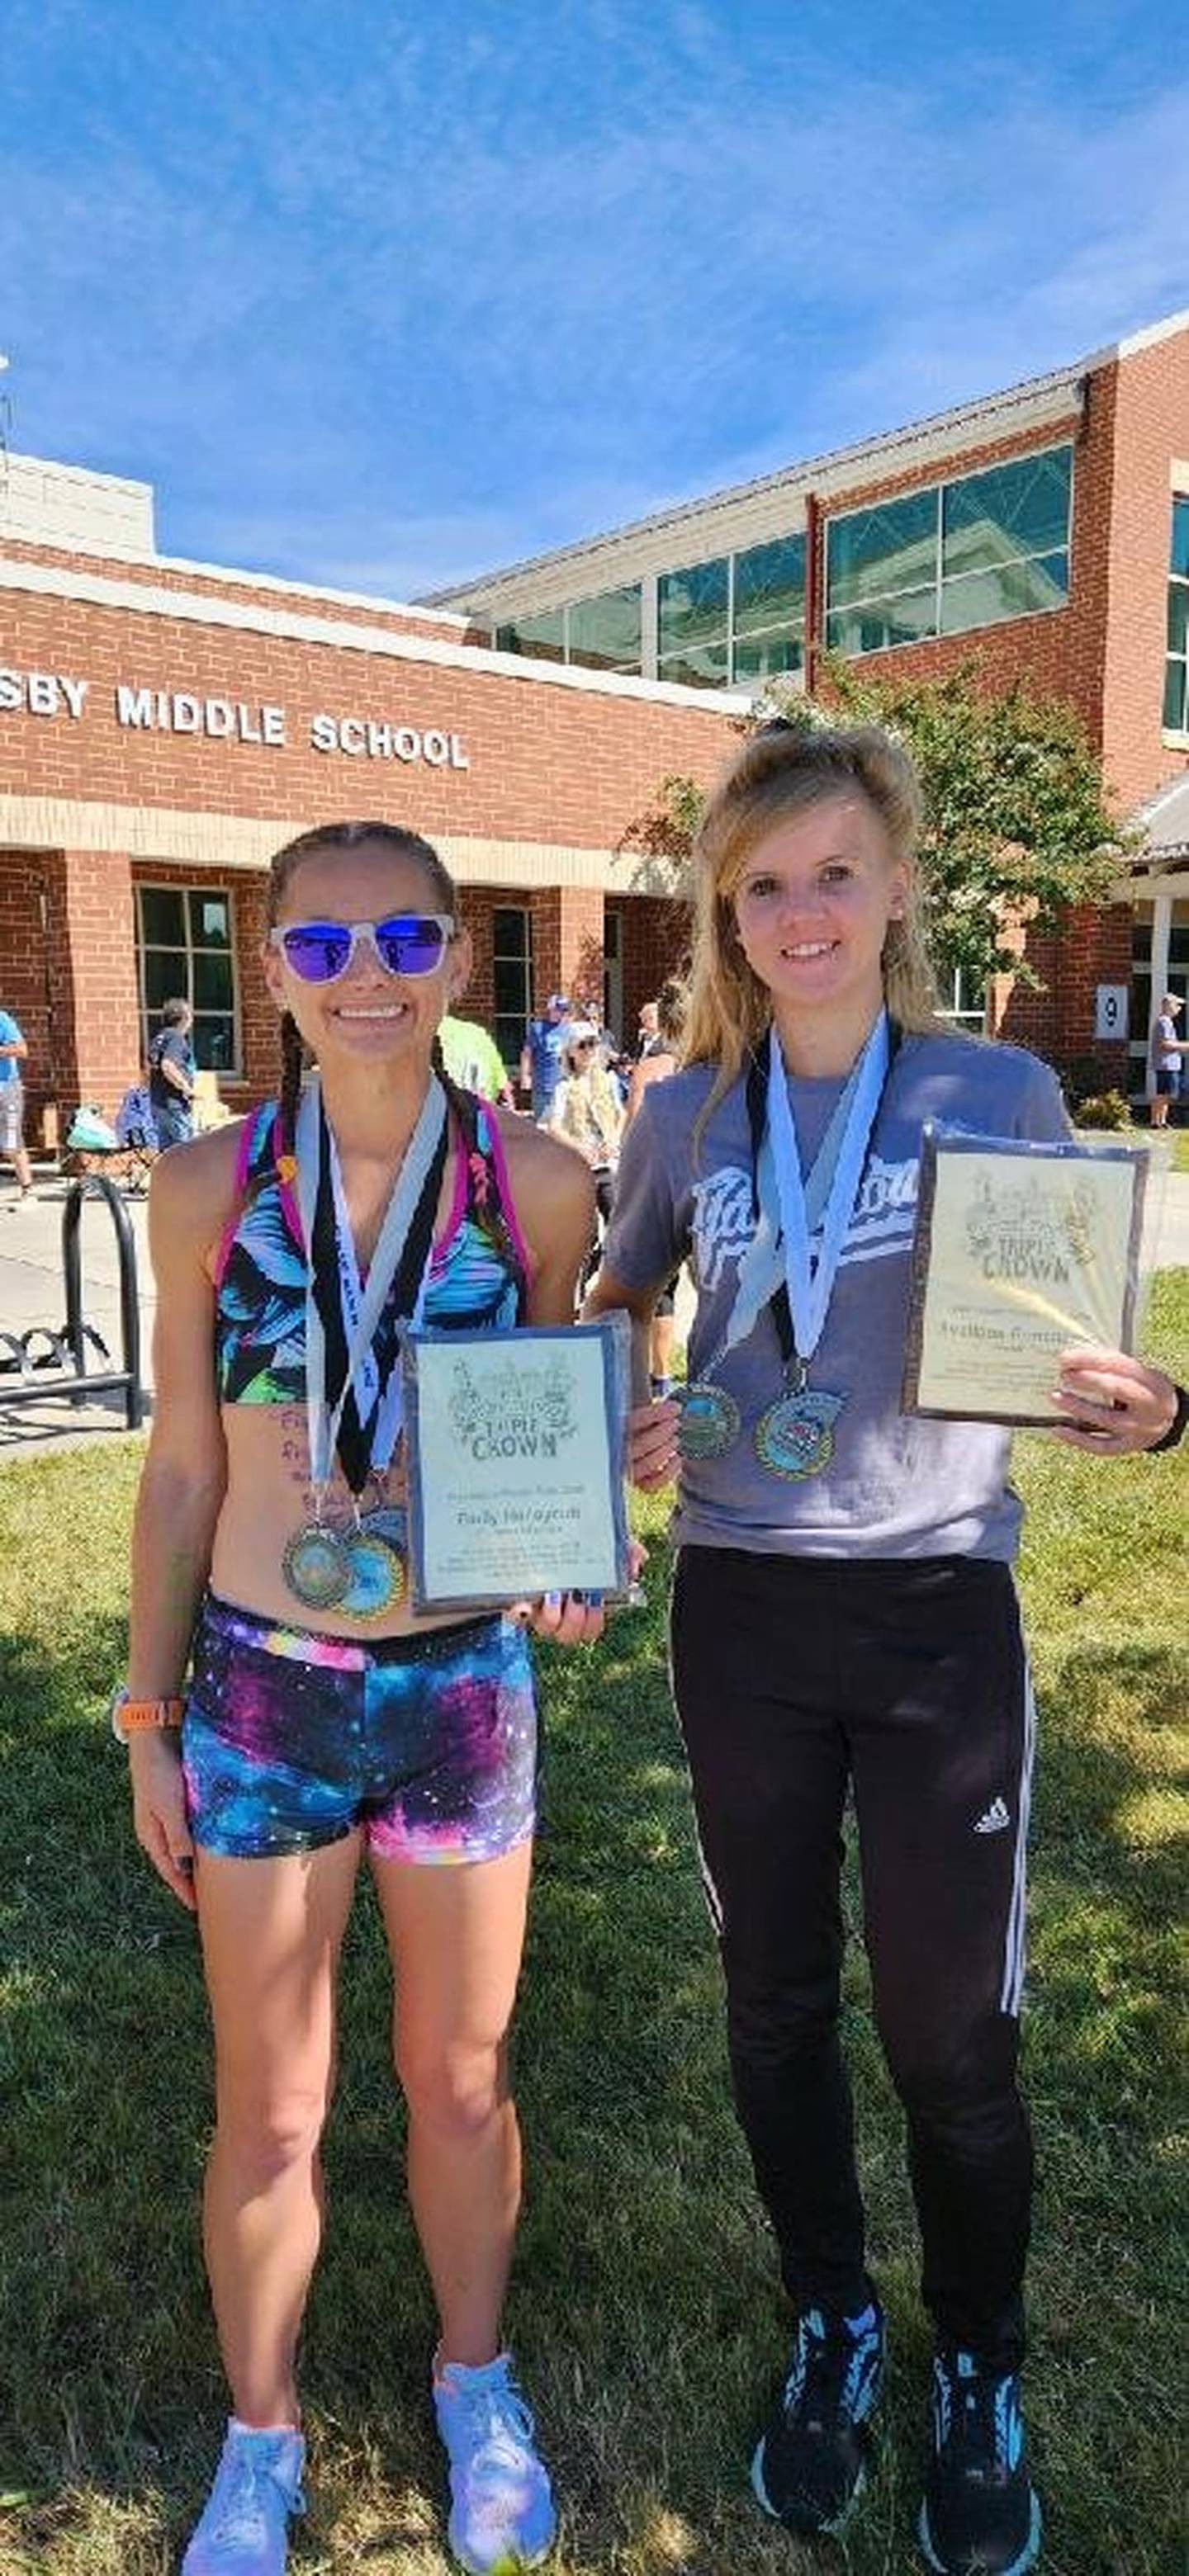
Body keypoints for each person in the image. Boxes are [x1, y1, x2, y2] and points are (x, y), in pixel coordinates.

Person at [585, 722, 1184, 2576]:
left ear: (902, 884)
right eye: (762, 885)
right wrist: (627, 1403)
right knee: (774, 1998)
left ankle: (979, 2365)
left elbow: (1091, 1342)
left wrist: (1149, 1413)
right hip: (741, 1606)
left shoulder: (994, 1091)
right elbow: (618, 1296)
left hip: (938, 1610)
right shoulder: (684, 1112)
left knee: (951, 2035)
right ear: (726, 915)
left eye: (833, 871)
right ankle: (835, 2320)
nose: (800, 912)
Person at [121, 820, 604, 2576]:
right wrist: (145, 1713)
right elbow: (182, 1473)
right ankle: (262, 2438)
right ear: (269, 973)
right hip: (261, 1693)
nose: (365, 974)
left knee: (461, 2078)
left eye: (403, 935)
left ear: (461, 957)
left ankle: (477, 2385)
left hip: (464, 1688)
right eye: (317, 947)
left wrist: (576, 1549)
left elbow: (556, 1421)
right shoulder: (203, 1188)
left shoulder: (537, 1183)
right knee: (272, 2104)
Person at [623, 979, 685, 1398]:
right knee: (673, 1292)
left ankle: (643, 1384)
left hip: (652, 1188)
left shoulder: (650, 1069)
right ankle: (663, 1375)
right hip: (692, 1183)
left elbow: (633, 1129)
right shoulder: (710, 1067)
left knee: (643, 1290)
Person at [545, 1020, 624, 1276]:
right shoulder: (564, 1088)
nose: (590, 1050)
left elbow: (621, 1114)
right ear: (570, 1051)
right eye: (583, 1045)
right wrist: (579, 1147)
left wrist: (614, 1140)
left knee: (618, 1222)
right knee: (585, 1233)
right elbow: (555, 1127)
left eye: (593, 1044)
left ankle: (613, 1280)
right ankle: (582, 1280)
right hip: (581, 1167)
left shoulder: (609, 1081)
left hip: (609, 1165)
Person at [439, 1009, 516, 1108]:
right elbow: (503, 1082)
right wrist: (510, 1104)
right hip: (482, 1103)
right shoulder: (480, 1035)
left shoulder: (434, 1028)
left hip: (447, 1102)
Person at [148, 996, 197, 1147]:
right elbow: (168, 1065)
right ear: (184, 1018)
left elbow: (148, 1066)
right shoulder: (176, 1037)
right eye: (190, 1016)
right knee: (185, 1153)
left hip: (158, 1103)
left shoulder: (159, 1037)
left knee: (166, 1154)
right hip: (174, 1104)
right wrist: (187, 1090)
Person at [519, 993, 571, 1122]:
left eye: (565, 1010)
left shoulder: (568, 1029)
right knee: (542, 1124)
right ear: (551, 1009)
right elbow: (527, 1053)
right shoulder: (538, 1028)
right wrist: (525, 1076)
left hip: (563, 1085)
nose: (562, 1013)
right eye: (560, 1009)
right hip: (543, 1084)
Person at [0, 1004, 34, 1202]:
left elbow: (22, 1049)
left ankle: (27, 1190)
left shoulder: (2, 1019)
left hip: (6, 1088)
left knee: (12, 1143)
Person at [1149, 990, 1187, 1128]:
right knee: (1162, 1095)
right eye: (1177, 1005)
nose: (1179, 1008)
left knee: (1166, 1095)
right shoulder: (1164, 1022)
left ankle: (1162, 1121)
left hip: (1168, 1065)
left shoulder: (1167, 1022)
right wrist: (1185, 1046)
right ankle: (1155, 1121)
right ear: (1169, 1006)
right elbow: (1165, 1044)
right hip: (1165, 1065)